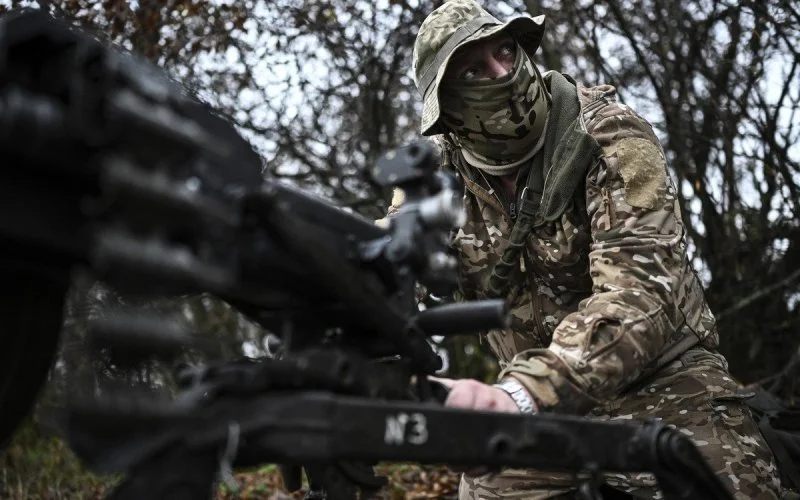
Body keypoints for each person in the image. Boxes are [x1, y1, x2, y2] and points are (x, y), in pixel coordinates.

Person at [383, 0, 792, 498]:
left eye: (507, 52)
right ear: (445, 105)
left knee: (728, 488)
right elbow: (388, 265)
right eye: (474, 67)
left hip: (665, 387)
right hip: (532, 413)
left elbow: (640, 296)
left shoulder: (609, 134)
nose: (503, 72)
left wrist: (523, 393)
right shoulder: (432, 177)